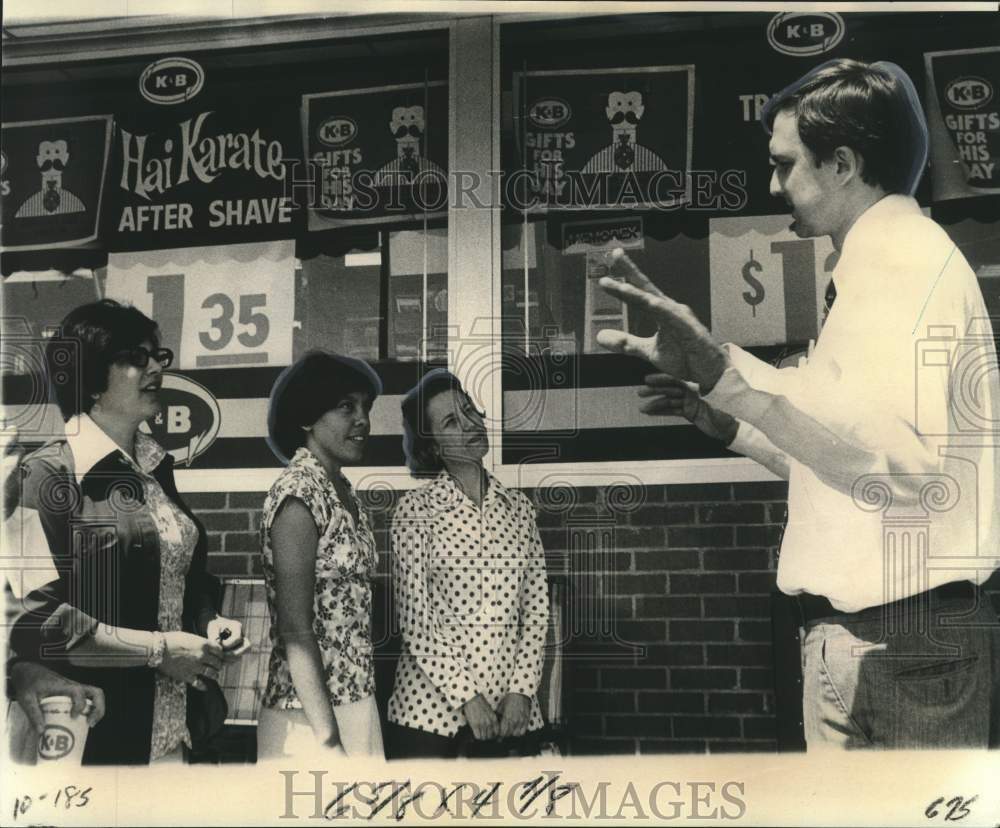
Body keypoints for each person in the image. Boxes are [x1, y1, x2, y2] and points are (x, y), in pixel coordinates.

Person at [597, 58, 1000, 749]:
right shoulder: (887, 259)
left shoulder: (898, 262)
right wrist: (729, 418)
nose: (773, 183)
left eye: (786, 164)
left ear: (841, 163)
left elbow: (888, 466)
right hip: (887, 643)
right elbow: (851, 469)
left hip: (898, 647)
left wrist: (725, 371)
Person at [7, 299, 248, 765]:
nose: (156, 366)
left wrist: (207, 622)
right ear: (92, 378)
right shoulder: (43, 477)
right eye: (137, 357)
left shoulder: (156, 466)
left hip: (177, 734)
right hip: (92, 734)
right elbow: (40, 618)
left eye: (158, 355)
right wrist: (158, 651)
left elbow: (184, 579)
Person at [386, 369, 549, 759]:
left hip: (513, 715)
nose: (471, 423)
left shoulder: (520, 510)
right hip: (430, 719)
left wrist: (521, 690)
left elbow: (537, 611)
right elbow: (416, 621)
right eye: (450, 421)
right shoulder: (415, 511)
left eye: (470, 410)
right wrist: (467, 698)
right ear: (433, 446)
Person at [257, 350, 385, 760]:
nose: (362, 419)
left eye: (365, 407)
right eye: (346, 406)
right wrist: (329, 743)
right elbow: (295, 631)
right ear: (307, 417)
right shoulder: (298, 494)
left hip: (357, 701)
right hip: (308, 721)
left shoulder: (343, 492)